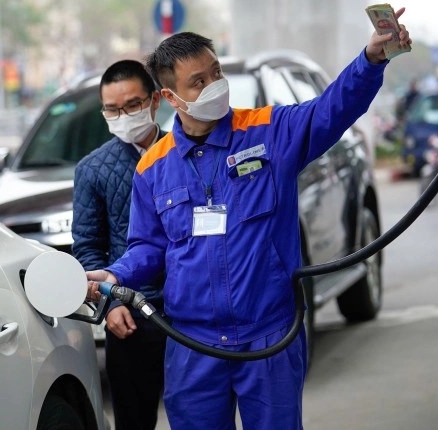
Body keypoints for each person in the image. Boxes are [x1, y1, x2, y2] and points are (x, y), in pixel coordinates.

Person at [86, 8, 412, 430]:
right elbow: (149, 247)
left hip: (269, 336)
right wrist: (116, 275)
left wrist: (371, 60)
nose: (214, 85)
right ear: (170, 98)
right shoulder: (152, 167)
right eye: (198, 82)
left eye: (216, 73)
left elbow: (332, 109)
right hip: (194, 346)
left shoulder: (269, 131)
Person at [72, 59, 167, 430]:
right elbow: (88, 246)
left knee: (200, 413)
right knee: (133, 417)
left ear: (155, 100)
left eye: (132, 105)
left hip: (191, 308)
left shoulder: (185, 150)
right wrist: (109, 304)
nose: (123, 116)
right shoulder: (92, 169)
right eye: (112, 109)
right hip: (129, 310)